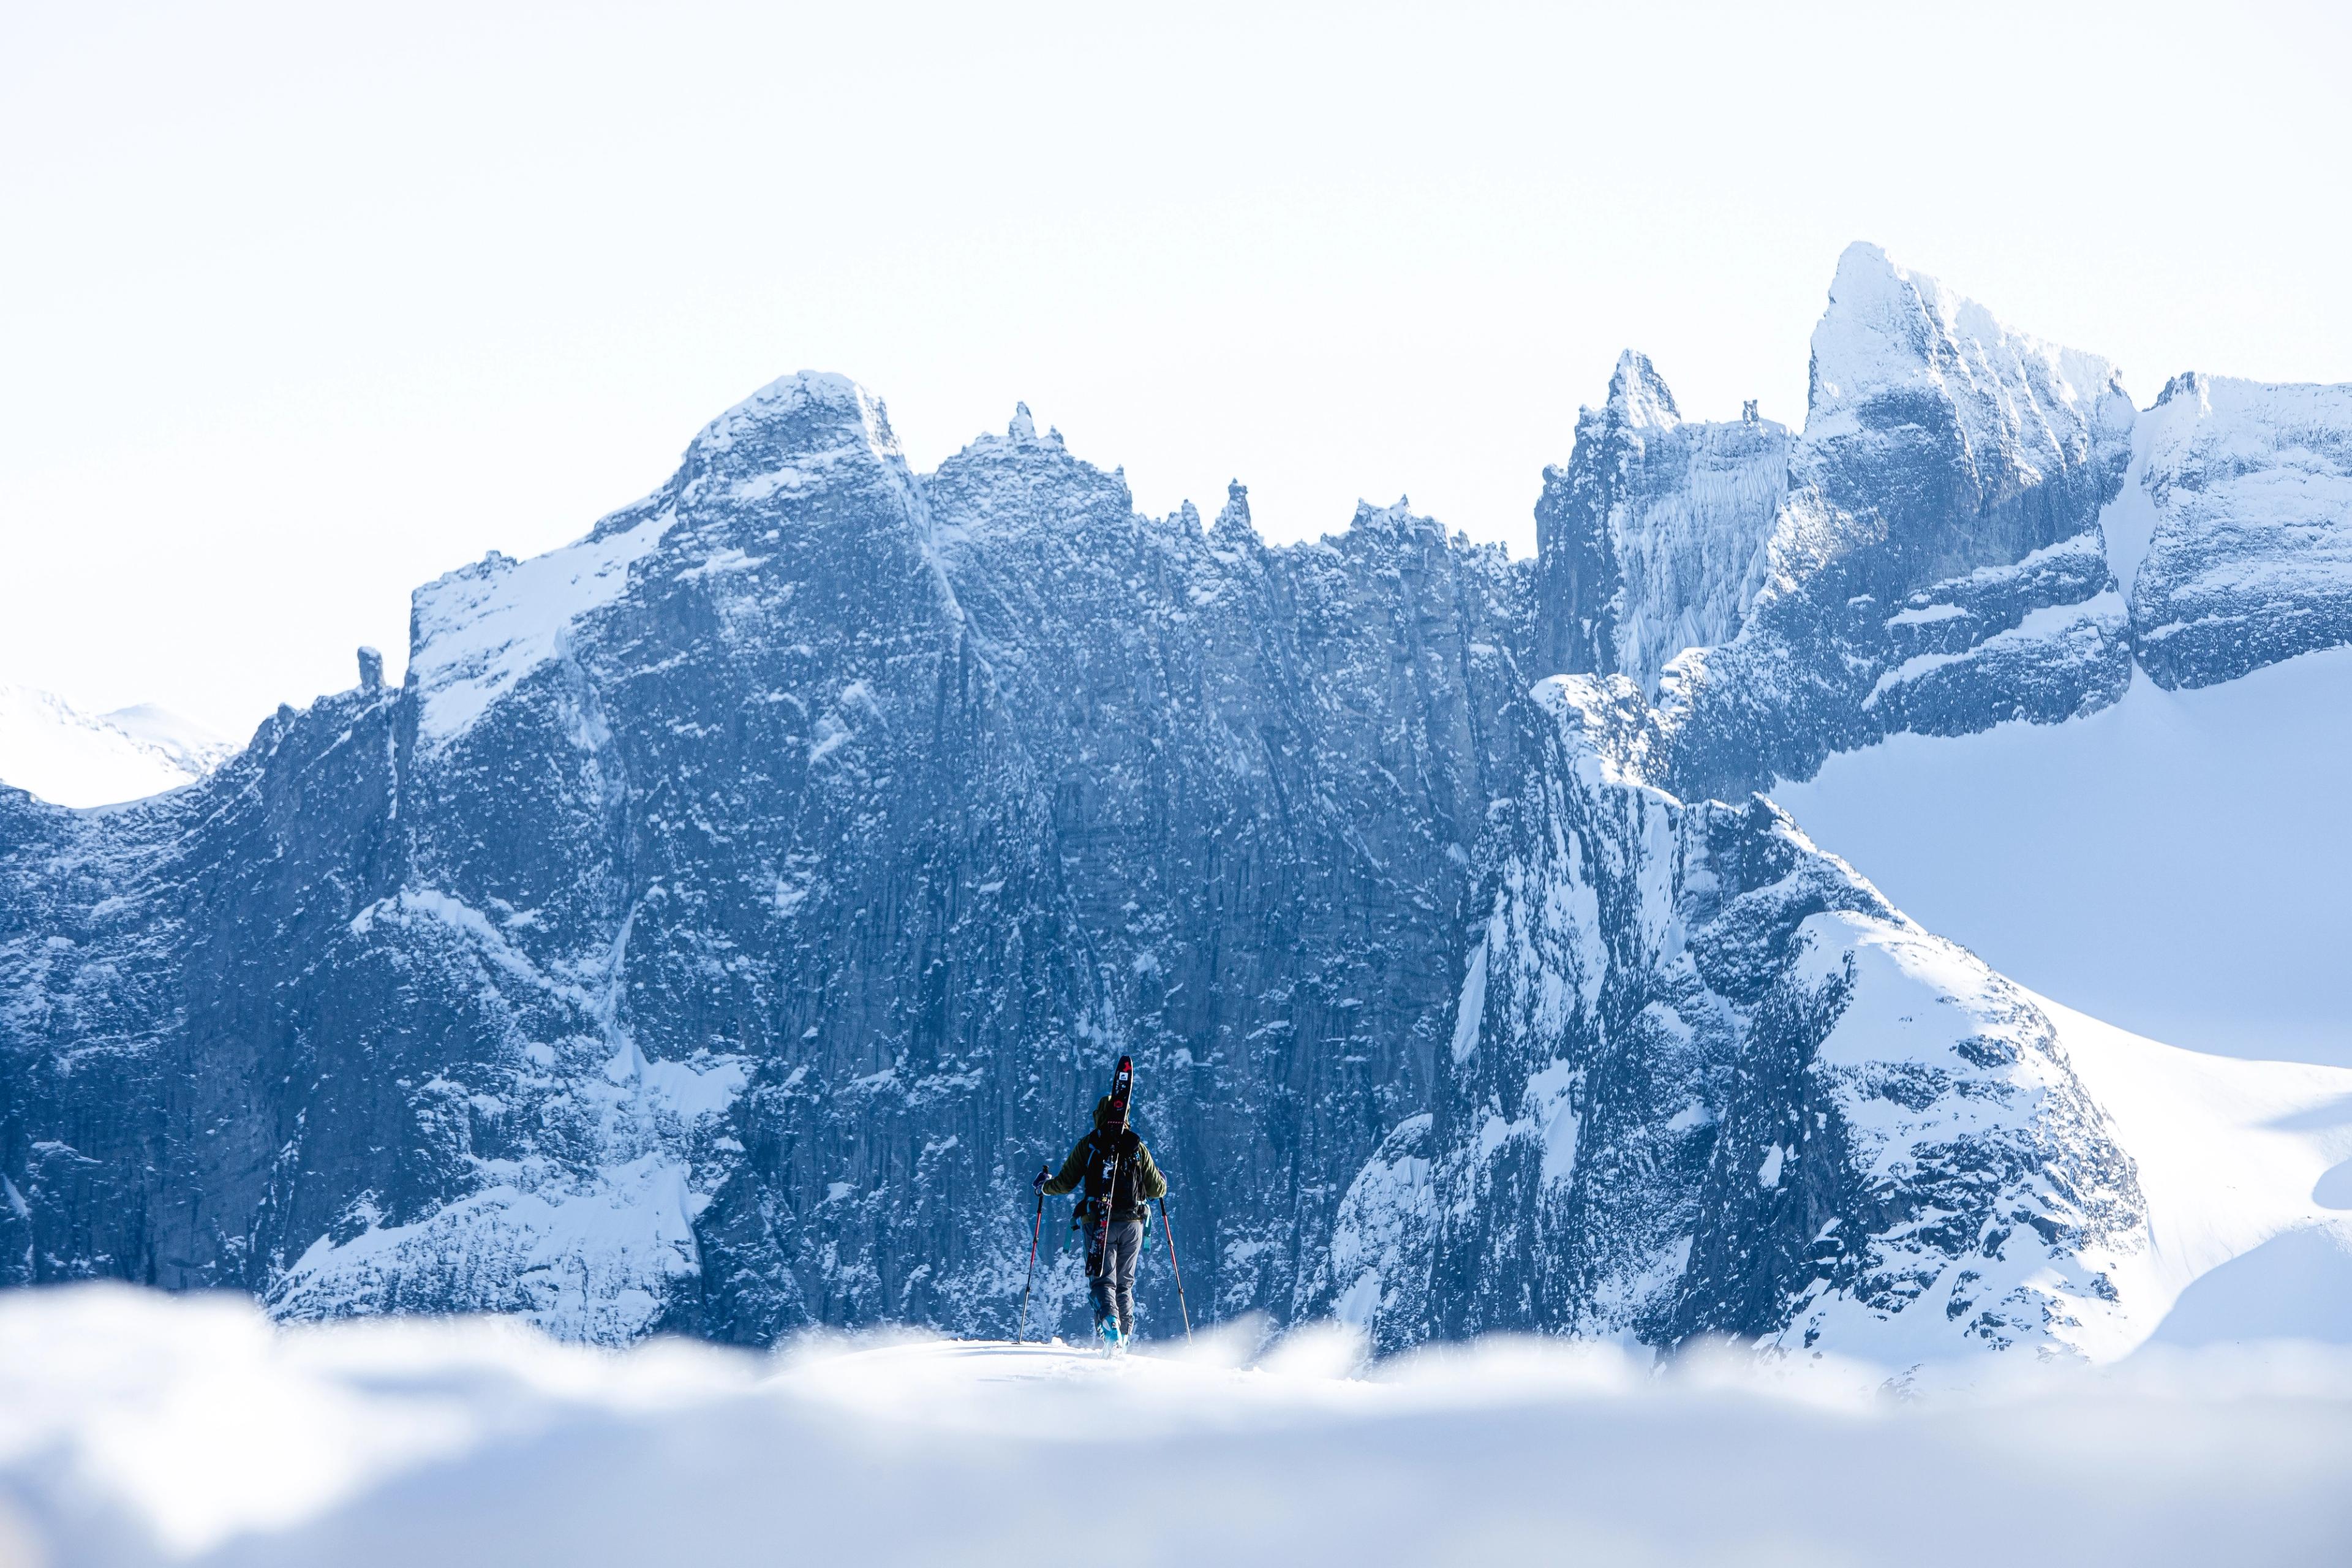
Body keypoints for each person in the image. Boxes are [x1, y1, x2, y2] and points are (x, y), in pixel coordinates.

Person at [1036, 1093, 1166, 1348]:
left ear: (1100, 1115)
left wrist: (1043, 1187)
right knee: (1124, 1283)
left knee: (1103, 1280)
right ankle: (1125, 1336)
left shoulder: (1090, 1144)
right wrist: (1162, 1180)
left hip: (1099, 1222)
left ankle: (1110, 1325)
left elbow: (1064, 1183)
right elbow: (1157, 1190)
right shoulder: (1137, 1147)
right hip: (1134, 1224)